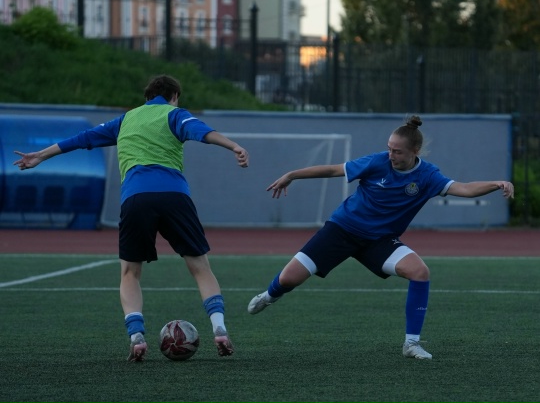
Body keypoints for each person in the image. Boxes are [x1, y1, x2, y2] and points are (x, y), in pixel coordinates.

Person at [13, 74, 249, 362]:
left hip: (136, 198)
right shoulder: (174, 114)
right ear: (174, 96)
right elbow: (202, 131)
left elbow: (82, 139)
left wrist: (41, 155)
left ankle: (137, 336)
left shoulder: (125, 119)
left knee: (130, 273)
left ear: (146, 97)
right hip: (175, 197)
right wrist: (233, 146)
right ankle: (219, 328)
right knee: (200, 267)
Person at [247, 115, 514, 360]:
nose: (391, 155)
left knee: (420, 271)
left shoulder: (428, 175)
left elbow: (464, 189)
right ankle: (269, 295)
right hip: (342, 230)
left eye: (397, 151)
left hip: (379, 240)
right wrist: (292, 175)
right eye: (389, 148)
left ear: (415, 151)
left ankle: (411, 343)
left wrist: (497, 184)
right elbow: (332, 170)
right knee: (288, 279)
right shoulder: (377, 162)